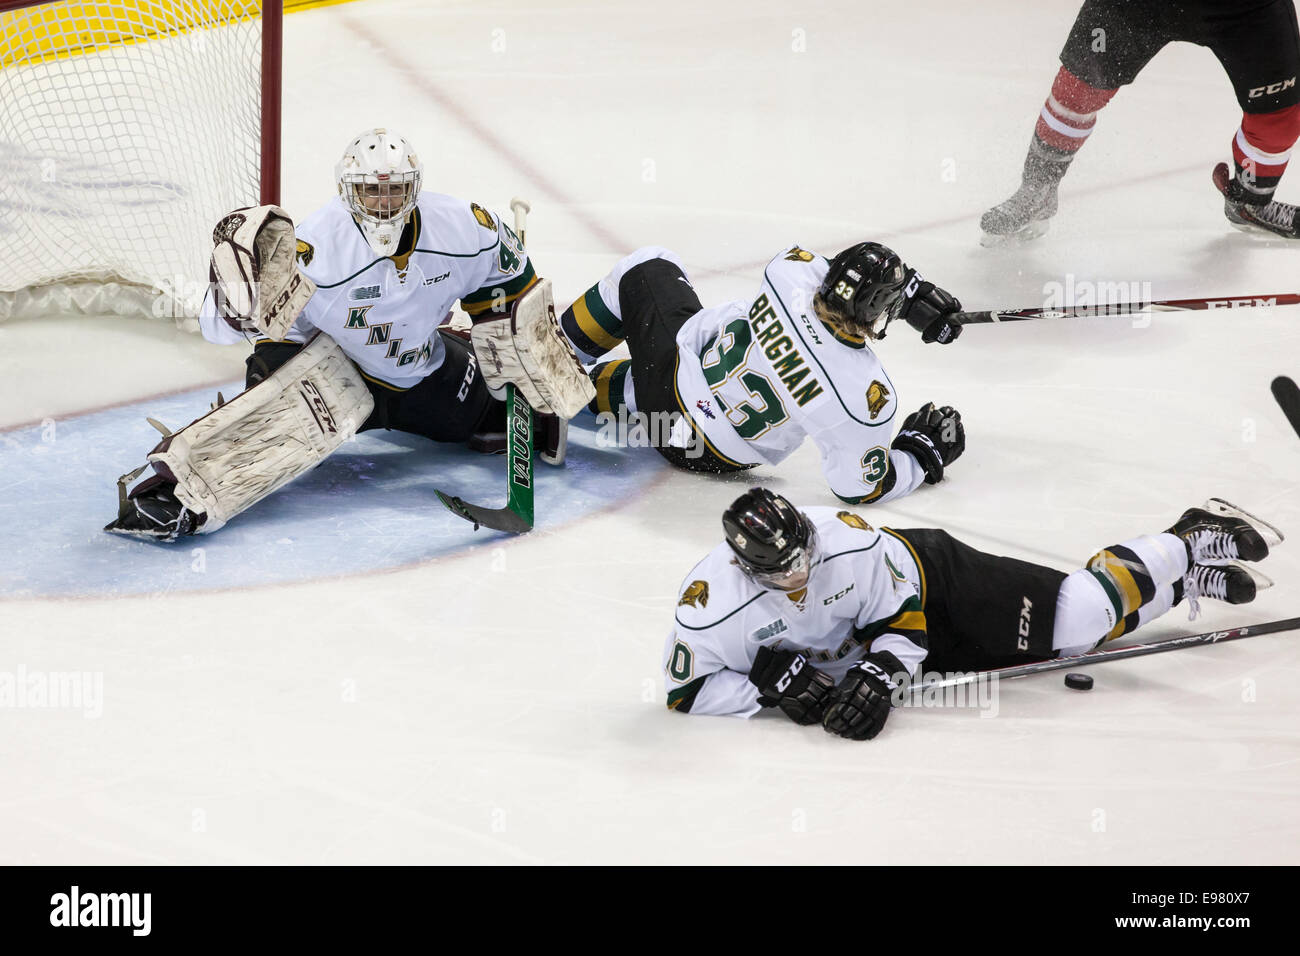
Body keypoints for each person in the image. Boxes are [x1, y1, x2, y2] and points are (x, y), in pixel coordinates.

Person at [106, 128, 587, 540]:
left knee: (488, 414)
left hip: (420, 375)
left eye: (396, 190)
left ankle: (586, 391)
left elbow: (511, 281)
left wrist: (507, 336)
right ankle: (181, 498)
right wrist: (235, 299)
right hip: (333, 373)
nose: (384, 203)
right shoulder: (314, 251)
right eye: (371, 191)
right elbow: (222, 331)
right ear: (346, 191)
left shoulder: (465, 227)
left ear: (414, 189)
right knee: (274, 407)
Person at [663, 488, 1278, 740]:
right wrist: (765, 692)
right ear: (746, 567)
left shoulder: (849, 541)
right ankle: (1179, 586)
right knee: (1069, 649)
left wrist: (878, 676)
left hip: (935, 583)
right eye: (781, 570)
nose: (799, 572)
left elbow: (901, 620)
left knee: (1083, 615)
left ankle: (1188, 537)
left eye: (804, 554)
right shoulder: (711, 607)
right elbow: (684, 691)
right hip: (874, 638)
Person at [556, 242, 967, 505]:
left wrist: (914, 294)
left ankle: (553, 355)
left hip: (671, 386)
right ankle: (569, 394)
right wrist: (919, 454)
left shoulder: (787, 274)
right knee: (637, 385)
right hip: (706, 453)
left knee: (648, 264)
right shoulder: (863, 394)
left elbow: (833, 270)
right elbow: (861, 488)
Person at [981, 0, 1300, 242]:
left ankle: (1250, 202)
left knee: (1279, 116)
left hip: (1246, 9)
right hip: (1136, 5)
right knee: (1076, 92)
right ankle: (1038, 191)